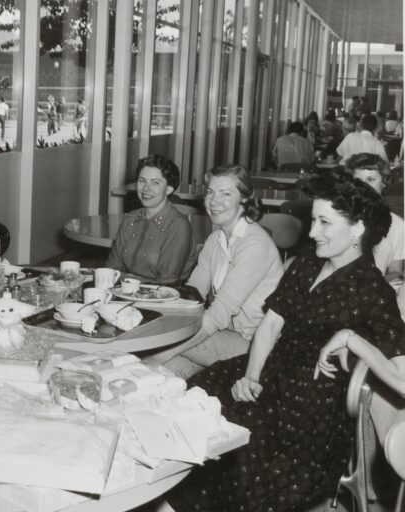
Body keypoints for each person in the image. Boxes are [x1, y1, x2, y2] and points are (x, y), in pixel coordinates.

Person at [165, 170, 404, 512]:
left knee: (241, 448)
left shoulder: (374, 292)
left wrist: (354, 340)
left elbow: (402, 379)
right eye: (313, 220)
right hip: (271, 369)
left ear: (358, 229)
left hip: (312, 405)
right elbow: (271, 325)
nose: (311, 232)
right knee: (197, 396)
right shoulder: (307, 264)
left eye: (324, 222)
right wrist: (251, 375)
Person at [150, 164, 284, 379]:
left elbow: (218, 314)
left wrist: (158, 352)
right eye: (210, 192)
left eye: (225, 193)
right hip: (225, 337)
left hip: (255, 346)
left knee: (159, 344)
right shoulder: (216, 240)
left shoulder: (255, 245)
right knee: (165, 373)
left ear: (244, 199)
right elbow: (192, 296)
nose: (213, 202)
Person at [106, 154, 196, 284]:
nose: (146, 188)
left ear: (169, 189)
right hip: (125, 292)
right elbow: (111, 268)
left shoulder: (178, 226)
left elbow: (166, 283)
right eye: (142, 180)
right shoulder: (130, 219)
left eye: (155, 182)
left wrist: (125, 280)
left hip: (162, 299)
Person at [344, 153, 404, 280]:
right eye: (358, 181)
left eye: (370, 179)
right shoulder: (342, 219)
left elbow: (394, 272)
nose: (363, 187)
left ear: (384, 183)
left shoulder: (398, 225)